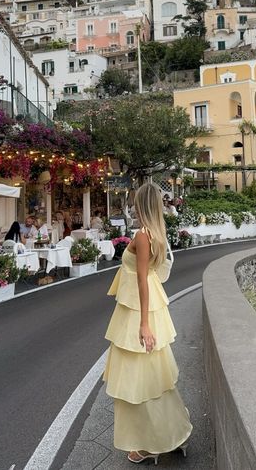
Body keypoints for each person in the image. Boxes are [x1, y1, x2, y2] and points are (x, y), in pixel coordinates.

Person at [103, 182, 192, 464]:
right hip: (152, 305)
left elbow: (141, 279)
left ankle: (149, 443)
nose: (132, 206)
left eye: (134, 202)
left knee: (137, 380)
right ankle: (171, 434)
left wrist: (143, 325)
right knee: (155, 377)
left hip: (138, 310)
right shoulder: (157, 233)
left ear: (141, 205)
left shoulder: (142, 236)